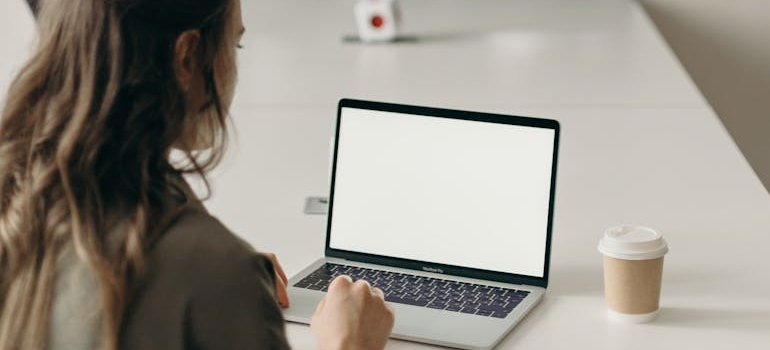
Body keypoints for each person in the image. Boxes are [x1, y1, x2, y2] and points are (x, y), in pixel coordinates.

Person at [0, 0, 394, 349]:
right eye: (234, 45)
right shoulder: (218, 275)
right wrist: (349, 343)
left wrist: (209, 273)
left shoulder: (15, 194)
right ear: (187, 57)